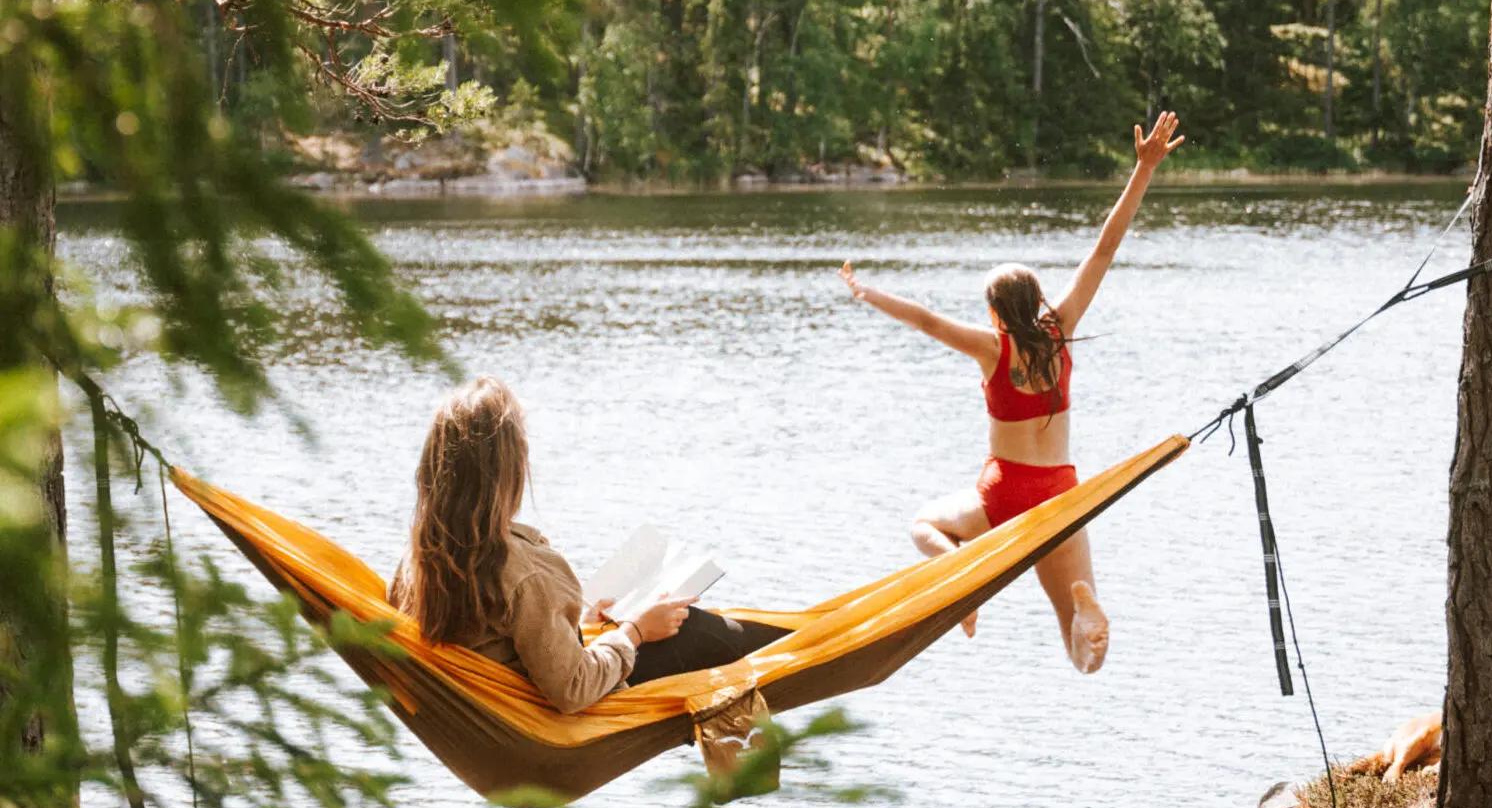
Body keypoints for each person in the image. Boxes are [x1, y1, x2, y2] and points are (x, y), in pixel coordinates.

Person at [838, 112, 1185, 672]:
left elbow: (927, 321)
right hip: (1062, 494)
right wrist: (1143, 169)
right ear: (1038, 301)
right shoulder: (1063, 329)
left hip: (1005, 495)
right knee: (1077, 650)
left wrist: (866, 293)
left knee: (924, 526)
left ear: (997, 312)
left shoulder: (992, 347)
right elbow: (1105, 246)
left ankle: (961, 581)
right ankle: (1086, 624)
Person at [388, 377, 782, 713]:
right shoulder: (522, 572)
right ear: (509, 472)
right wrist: (634, 632)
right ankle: (803, 657)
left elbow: (497, 640)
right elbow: (572, 689)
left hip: (498, 712)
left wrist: (580, 627)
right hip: (560, 720)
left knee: (697, 626)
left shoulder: (419, 558)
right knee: (705, 633)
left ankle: (803, 648)